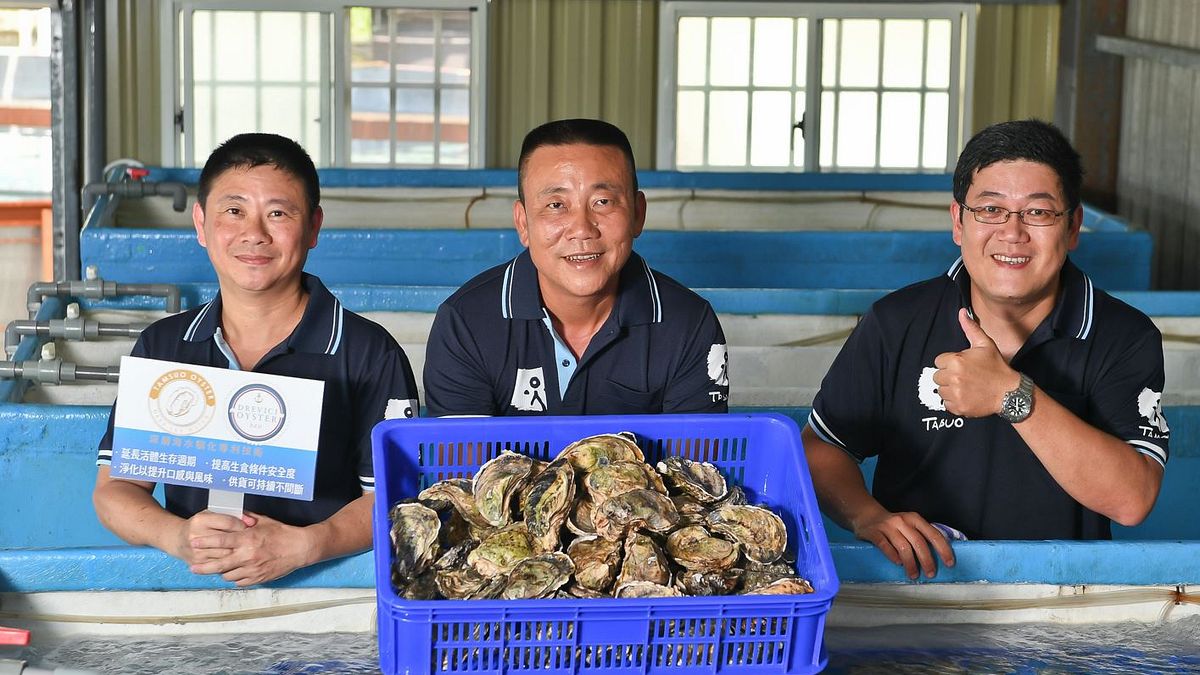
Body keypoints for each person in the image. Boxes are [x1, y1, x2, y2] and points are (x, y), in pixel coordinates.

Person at [804, 119, 1169, 579]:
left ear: (1073, 227)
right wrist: (866, 516)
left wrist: (1011, 396)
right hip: (921, 592)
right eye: (991, 210)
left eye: (1038, 213)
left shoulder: (1123, 336)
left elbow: (1131, 500)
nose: (1012, 233)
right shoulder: (897, 322)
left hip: (1061, 603)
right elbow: (823, 446)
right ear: (959, 221)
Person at [93, 133, 419, 586]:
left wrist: (306, 545)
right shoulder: (165, 346)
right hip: (192, 594)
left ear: (314, 227)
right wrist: (178, 536)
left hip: (325, 596)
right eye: (234, 211)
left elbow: (395, 499)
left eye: (278, 213)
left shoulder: (367, 353)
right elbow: (115, 490)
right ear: (201, 224)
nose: (254, 234)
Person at [423, 118, 729, 416]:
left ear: (637, 214)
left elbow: (693, 463)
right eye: (556, 205)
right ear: (523, 223)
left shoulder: (689, 324)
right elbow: (461, 464)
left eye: (603, 202)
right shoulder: (466, 323)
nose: (582, 229)